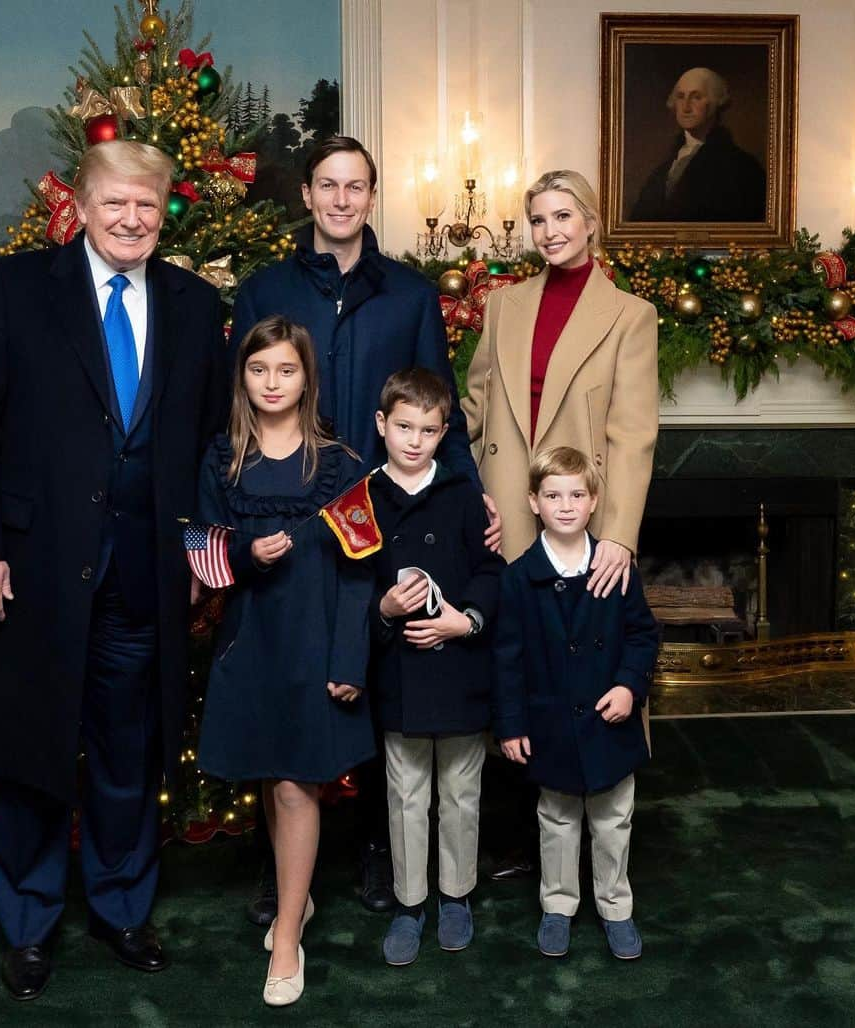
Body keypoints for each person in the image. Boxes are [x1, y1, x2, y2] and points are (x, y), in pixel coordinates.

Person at [0, 140, 227, 1001]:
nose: (132, 219)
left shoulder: (192, 302)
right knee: (33, 749)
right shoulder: (16, 287)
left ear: (165, 209)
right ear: (80, 202)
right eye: (116, 204)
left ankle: (120, 908)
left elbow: (213, 445)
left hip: (145, 571)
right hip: (31, 571)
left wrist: (199, 551)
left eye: (148, 205)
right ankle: (29, 926)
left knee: (126, 751)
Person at [231, 134, 501, 922]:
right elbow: (244, 403)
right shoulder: (266, 289)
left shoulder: (410, 295)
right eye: (327, 185)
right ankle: (280, 867)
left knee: (375, 667)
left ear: (371, 198)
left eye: (356, 187)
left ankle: (381, 848)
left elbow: (440, 410)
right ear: (307, 196)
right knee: (290, 675)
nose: (342, 200)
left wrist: (472, 495)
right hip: (286, 511)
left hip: (383, 516)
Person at [462, 169, 658, 881]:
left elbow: (633, 433)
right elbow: (475, 406)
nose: (550, 231)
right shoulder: (504, 306)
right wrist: (464, 489)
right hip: (506, 513)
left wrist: (620, 535)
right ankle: (523, 838)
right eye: (538, 219)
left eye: (563, 216)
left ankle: (591, 849)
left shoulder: (629, 315)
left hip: (583, 519)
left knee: (581, 663)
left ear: (592, 222)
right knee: (518, 663)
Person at [196, 315, 374, 1006]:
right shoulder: (222, 460)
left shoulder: (339, 464)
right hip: (249, 643)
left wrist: (351, 658)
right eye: (259, 369)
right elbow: (200, 547)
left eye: (286, 370)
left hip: (315, 642)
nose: (273, 382)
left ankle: (289, 935)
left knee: (299, 784)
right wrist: (244, 552)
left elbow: (362, 570)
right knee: (274, 779)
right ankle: (296, 899)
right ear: (244, 377)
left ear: (307, 378)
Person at [493, 446, 659, 959]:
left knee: (613, 821)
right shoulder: (519, 577)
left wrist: (630, 687)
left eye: (576, 495)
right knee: (558, 821)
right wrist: (512, 724)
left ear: (593, 503)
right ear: (533, 502)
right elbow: (507, 658)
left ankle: (616, 907)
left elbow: (642, 636)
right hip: (550, 726)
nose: (565, 505)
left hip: (610, 722)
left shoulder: (616, 568)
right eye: (552, 495)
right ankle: (558, 906)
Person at [365, 368, 504, 966]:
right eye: (403, 427)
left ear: (444, 432)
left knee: (461, 793)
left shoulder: (464, 498)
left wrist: (465, 620)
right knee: (405, 794)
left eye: (427, 429)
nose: (414, 440)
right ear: (382, 425)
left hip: (461, 673)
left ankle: (456, 895)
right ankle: (409, 902)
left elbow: (491, 574)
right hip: (399, 674)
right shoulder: (364, 500)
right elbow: (349, 587)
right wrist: (383, 608)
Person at [630, 66, 766, 223]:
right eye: (681, 97)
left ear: (715, 103)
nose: (686, 107)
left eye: (696, 97)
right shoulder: (661, 172)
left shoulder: (742, 167)